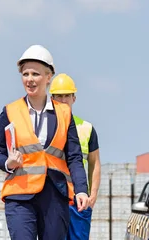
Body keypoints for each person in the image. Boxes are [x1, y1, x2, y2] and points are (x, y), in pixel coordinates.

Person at [0, 45, 90, 240]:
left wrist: (81, 190)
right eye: (25, 74)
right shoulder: (10, 111)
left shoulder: (64, 113)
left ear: (48, 77)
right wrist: (7, 163)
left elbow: (74, 157)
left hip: (55, 194)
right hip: (19, 195)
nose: (29, 79)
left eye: (35, 74)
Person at [50, 73, 101, 240]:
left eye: (67, 96)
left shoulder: (87, 129)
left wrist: (92, 195)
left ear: (74, 98)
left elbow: (95, 164)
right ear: (51, 98)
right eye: (59, 96)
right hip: (52, 199)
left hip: (79, 201)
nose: (63, 100)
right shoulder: (44, 127)